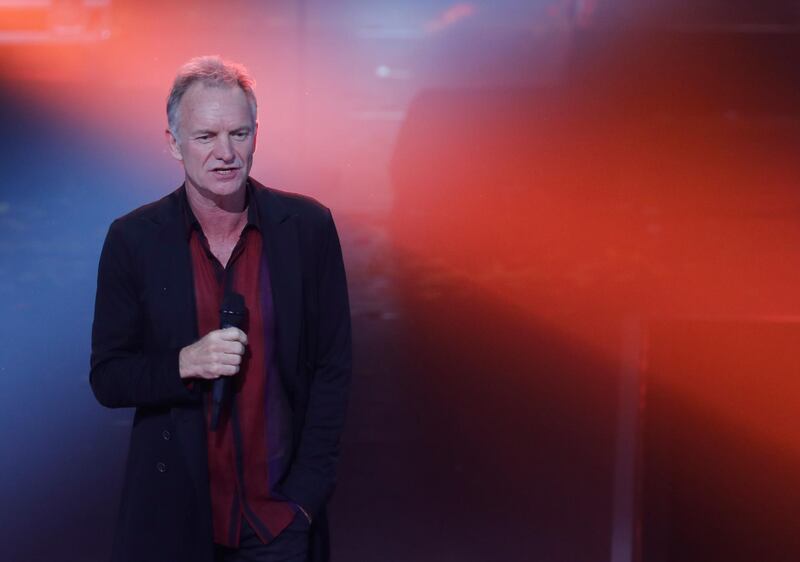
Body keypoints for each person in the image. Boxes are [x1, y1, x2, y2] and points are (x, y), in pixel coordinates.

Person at [90, 55, 352, 562]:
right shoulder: (133, 240)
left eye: (239, 133)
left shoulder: (308, 228)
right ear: (173, 144)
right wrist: (184, 363)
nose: (225, 153)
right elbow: (108, 377)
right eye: (206, 136)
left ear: (257, 135)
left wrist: (307, 496)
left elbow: (332, 369)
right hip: (174, 517)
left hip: (279, 520)